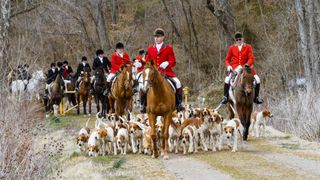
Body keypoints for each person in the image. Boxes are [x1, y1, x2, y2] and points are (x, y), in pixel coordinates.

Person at [140, 28, 185, 113]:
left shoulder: (168, 48)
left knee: (178, 83)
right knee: (143, 86)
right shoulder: (150, 48)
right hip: (152, 74)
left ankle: (179, 104)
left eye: (158, 36)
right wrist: (141, 63)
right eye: (155, 37)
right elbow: (147, 62)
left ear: (163, 37)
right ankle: (143, 105)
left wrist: (167, 63)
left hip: (166, 72)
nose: (156, 38)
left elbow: (173, 62)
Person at [219, 32, 263, 104]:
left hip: (246, 67)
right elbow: (227, 59)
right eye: (237, 40)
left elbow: (251, 58)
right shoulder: (232, 48)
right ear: (235, 40)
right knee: (227, 80)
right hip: (235, 68)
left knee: (258, 79)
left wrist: (247, 64)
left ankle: (256, 98)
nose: (239, 41)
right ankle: (225, 97)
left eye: (240, 39)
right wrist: (229, 66)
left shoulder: (248, 47)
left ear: (242, 39)